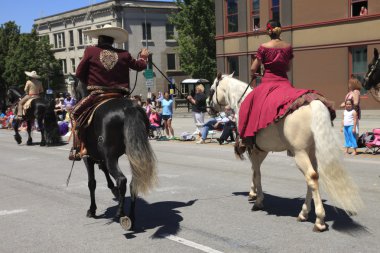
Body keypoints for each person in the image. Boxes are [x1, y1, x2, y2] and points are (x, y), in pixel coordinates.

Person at [238, 20, 334, 146]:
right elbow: (288, 68)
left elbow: (252, 68)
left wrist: (255, 74)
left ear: (268, 32)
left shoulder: (263, 47)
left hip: (268, 83)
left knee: (248, 103)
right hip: (284, 83)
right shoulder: (287, 47)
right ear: (279, 30)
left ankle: (246, 139)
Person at [69, 24, 149, 160]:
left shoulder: (90, 51)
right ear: (112, 40)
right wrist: (143, 57)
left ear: (99, 39)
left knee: (74, 113)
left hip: (97, 95)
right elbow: (139, 66)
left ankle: (80, 148)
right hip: (120, 95)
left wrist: (89, 81)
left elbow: (79, 73)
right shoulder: (124, 54)